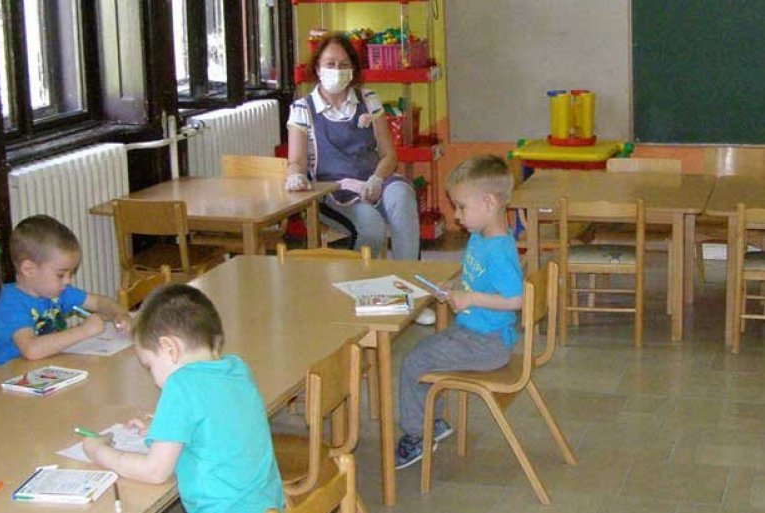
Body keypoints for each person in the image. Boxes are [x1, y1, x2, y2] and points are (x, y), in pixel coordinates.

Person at [83, 284, 285, 513]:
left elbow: (154, 472)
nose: (153, 380)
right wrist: (165, 428)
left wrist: (99, 451)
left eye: (149, 366)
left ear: (170, 348)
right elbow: (220, 422)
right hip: (269, 506)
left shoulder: (181, 385)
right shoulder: (236, 369)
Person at [286, 32, 433, 324]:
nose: (337, 70)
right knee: (372, 227)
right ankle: (363, 294)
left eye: (343, 64)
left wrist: (377, 179)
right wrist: (294, 176)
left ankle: (409, 293)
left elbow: (389, 155)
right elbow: (296, 161)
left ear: (353, 69)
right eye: (330, 63)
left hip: (374, 179)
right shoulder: (303, 108)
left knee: (403, 196)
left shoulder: (368, 99)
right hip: (334, 190)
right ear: (317, 67)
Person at [394, 155, 524, 469]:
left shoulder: (499, 249)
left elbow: (516, 299)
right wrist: (454, 286)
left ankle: (419, 434)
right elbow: (476, 279)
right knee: (426, 353)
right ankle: (433, 422)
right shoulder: (480, 238)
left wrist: (471, 298)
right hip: (474, 332)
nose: (456, 215)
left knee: (414, 362)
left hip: (488, 342)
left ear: (489, 202)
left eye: (462, 207)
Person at [0, 215, 132, 366]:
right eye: (60, 275)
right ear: (29, 269)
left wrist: (119, 315)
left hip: (51, 368)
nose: (67, 281)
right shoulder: (11, 304)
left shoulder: (57, 292)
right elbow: (31, 350)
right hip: (18, 376)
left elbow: (99, 302)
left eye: (71, 274)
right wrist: (83, 331)